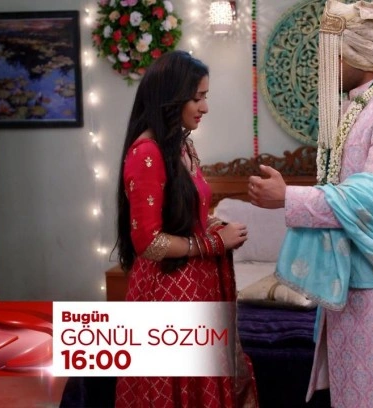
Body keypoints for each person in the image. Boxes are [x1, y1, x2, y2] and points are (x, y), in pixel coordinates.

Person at [247, 1, 373, 407]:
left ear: (359, 54)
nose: (325, 64)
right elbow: (343, 185)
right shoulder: (356, 105)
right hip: (344, 279)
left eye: (332, 53)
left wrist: (288, 197)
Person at [114, 50, 258, 408]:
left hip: (195, 288)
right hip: (167, 294)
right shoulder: (146, 153)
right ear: (171, 98)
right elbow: (149, 242)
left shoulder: (181, 146)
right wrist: (212, 244)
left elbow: (189, 215)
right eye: (197, 98)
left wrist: (215, 225)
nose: (205, 107)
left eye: (205, 96)